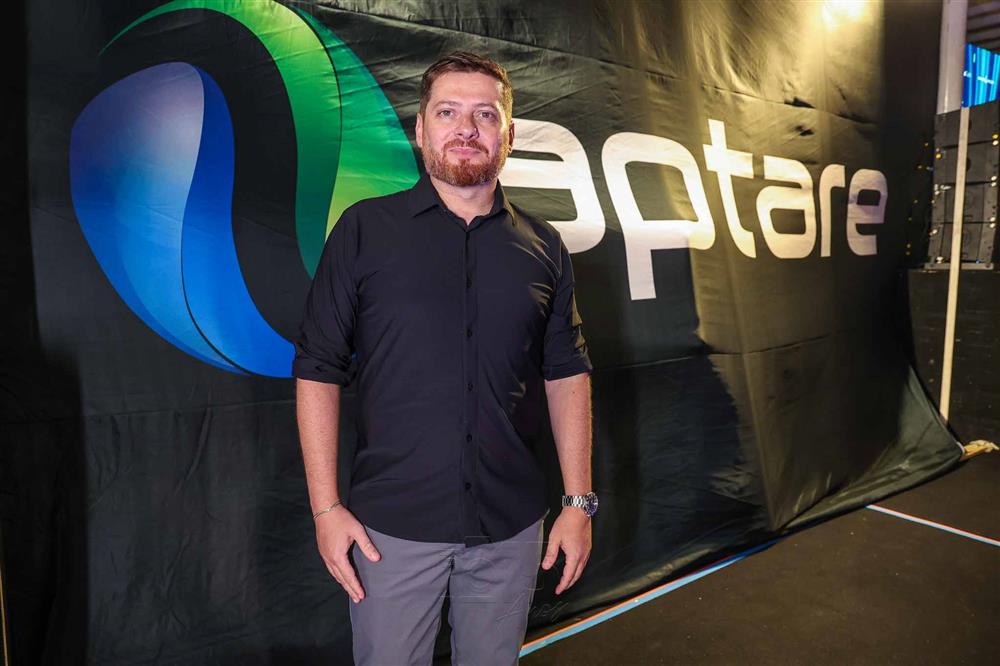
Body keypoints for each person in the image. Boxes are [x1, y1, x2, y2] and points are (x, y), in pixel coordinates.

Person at [292, 51, 598, 666]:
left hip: (511, 527)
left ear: (508, 134)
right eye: (448, 112)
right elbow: (318, 368)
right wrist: (325, 508)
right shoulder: (363, 230)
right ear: (420, 128)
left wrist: (579, 502)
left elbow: (566, 373)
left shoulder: (544, 245)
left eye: (485, 114)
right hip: (391, 531)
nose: (466, 128)